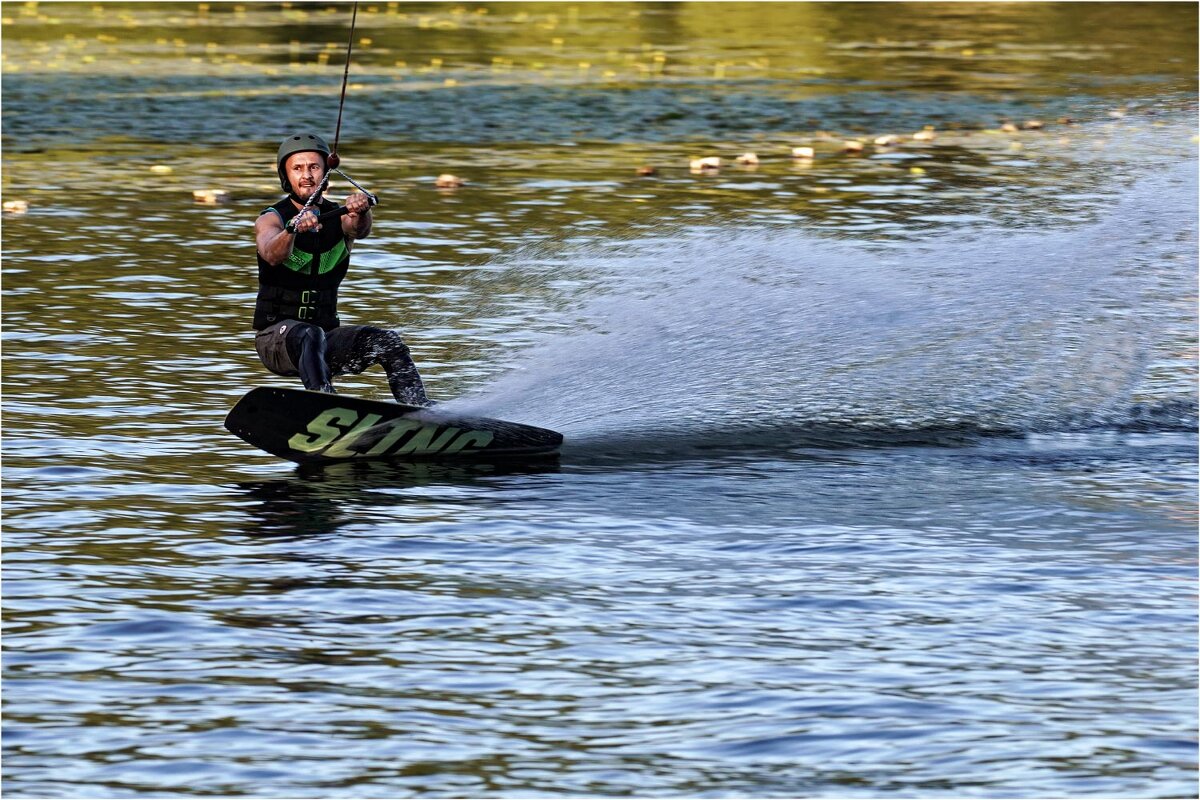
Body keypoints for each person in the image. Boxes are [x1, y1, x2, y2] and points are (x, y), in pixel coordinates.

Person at [252, 132, 431, 406]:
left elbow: (359, 229)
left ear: (326, 173)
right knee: (309, 334)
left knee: (388, 342)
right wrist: (293, 229)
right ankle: (323, 404)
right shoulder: (271, 218)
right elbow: (271, 253)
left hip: (325, 342)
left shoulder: (340, 216)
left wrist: (361, 210)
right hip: (276, 342)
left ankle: (420, 410)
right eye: (297, 168)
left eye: (314, 167)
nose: (307, 175)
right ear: (285, 176)